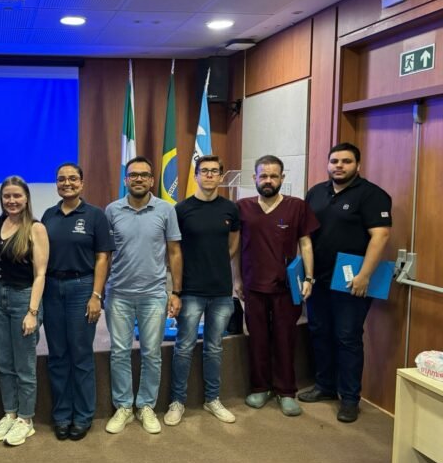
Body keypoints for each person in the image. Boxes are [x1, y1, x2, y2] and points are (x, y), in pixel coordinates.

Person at [299, 142, 392, 423]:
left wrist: (364, 275)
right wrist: (306, 275)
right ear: (328, 164)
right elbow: (305, 236)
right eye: (334, 161)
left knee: (347, 337)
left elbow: (381, 236)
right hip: (318, 279)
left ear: (357, 166)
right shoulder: (316, 192)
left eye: (346, 161)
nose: (339, 166)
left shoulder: (373, 195)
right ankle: (325, 386)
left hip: (352, 282)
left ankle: (350, 398)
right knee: (319, 332)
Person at [234, 155, 318, 417]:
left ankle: (286, 391)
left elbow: (305, 244)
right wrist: (236, 280)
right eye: (263, 176)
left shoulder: (297, 207)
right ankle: (260, 388)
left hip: (286, 288)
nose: (268, 180)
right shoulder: (242, 207)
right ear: (254, 179)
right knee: (257, 339)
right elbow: (234, 249)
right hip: (253, 286)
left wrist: (309, 278)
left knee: (285, 339)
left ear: (282, 178)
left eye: (273, 176)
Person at [104, 156, 182, 435]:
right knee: (120, 352)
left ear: (152, 180)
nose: (138, 179)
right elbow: (105, 255)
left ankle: (146, 405)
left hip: (154, 295)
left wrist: (175, 292)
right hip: (119, 294)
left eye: (144, 175)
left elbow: (174, 252)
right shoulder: (112, 210)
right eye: (133, 175)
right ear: (126, 179)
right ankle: (124, 406)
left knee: (152, 353)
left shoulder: (165, 210)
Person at [41, 163, 114, 441]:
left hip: (82, 288)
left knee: (81, 354)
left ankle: (83, 416)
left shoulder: (95, 215)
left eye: (73, 178)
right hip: (51, 288)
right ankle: (62, 415)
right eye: (61, 179)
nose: (67, 183)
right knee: (58, 355)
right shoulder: (49, 215)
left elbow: (103, 258)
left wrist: (96, 295)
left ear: (82, 183)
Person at [164, 155, 239, 427]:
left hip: (220, 291)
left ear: (221, 176)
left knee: (214, 348)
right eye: (204, 171)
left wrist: (217, 266)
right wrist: (175, 290)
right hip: (191, 290)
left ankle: (212, 399)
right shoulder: (181, 209)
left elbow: (232, 247)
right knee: (183, 347)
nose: (209, 175)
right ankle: (177, 401)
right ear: (195, 175)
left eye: (214, 171)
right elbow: (173, 252)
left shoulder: (230, 209)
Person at [0, 176, 49, 447]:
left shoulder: (36, 228)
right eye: (6, 196)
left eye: (16, 196)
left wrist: (32, 312)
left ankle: (26, 418)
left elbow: (41, 273)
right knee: (3, 362)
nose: (11, 201)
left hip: (24, 299)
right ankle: (10, 413)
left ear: (26, 198)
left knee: (24, 365)